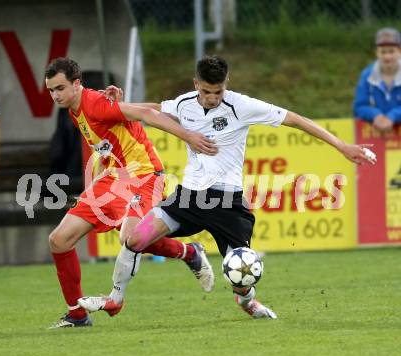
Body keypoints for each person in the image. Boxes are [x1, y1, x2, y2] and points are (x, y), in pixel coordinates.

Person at [79, 55, 376, 320]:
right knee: (134, 238)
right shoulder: (184, 104)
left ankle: (246, 301)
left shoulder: (241, 106)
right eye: (206, 92)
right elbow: (155, 110)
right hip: (190, 197)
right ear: (196, 84)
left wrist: (341, 145)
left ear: (226, 84)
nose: (211, 98)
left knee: (243, 274)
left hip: (227, 203)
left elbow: (295, 120)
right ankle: (115, 299)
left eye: (217, 92)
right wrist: (118, 104)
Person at [44, 57, 217, 328]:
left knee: (132, 238)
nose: (55, 95)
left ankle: (188, 253)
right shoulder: (75, 110)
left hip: (145, 176)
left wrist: (188, 136)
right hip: (114, 178)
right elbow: (107, 146)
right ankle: (77, 314)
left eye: (60, 88)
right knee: (59, 240)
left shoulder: (95, 104)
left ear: (77, 85)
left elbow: (147, 114)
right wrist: (93, 189)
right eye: (51, 90)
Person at [354, 27, 401, 132]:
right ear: (377, 53)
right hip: (374, 136)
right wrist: (375, 115)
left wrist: (392, 116)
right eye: (383, 52)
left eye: (391, 51)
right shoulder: (367, 75)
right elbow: (359, 106)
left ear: (399, 51)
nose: (387, 56)